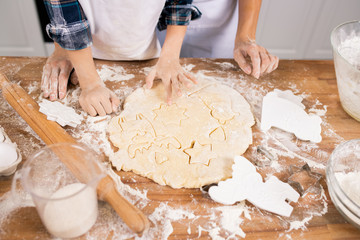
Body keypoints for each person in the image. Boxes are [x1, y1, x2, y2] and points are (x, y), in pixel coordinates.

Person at [41, 0, 201, 116]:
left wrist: (170, 56)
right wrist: (90, 84)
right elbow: (68, 18)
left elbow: (178, 3)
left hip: (143, 50)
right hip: (83, 55)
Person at [157, 0, 279, 79]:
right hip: (161, 17)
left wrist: (245, 37)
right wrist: (170, 54)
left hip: (218, 17)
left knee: (220, 75)